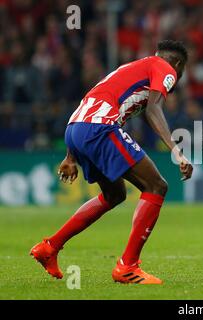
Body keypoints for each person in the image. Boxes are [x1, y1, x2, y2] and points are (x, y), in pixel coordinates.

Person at [30, 40, 193, 285]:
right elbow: (153, 110)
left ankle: (49, 247)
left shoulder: (131, 68)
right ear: (178, 65)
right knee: (156, 186)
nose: (175, 80)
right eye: (179, 74)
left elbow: (92, 99)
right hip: (101, 128)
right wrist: (176, 151)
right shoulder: (165, 67)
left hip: (76, 127)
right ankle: (128, 267)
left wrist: (71, 154)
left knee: (114, 194)